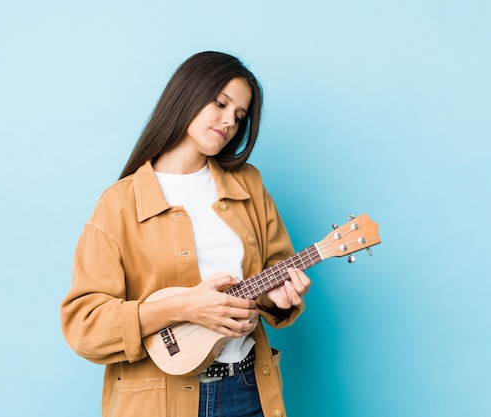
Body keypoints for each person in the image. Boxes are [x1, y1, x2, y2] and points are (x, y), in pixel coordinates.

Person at [60, 51, 311, 417]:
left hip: (248, 389)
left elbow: (273, 270)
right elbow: (86, 326)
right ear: (187, 94)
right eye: (220, 103)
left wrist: (279, 295)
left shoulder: (249, 186)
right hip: (159, 403)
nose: (229, 121)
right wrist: (182, 306)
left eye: (239, 117)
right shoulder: (119, 204)